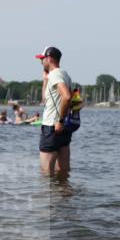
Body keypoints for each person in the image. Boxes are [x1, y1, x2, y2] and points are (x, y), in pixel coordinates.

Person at [36, 46, 74, 176]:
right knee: (63, 173)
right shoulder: (64, 74)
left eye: (42, 59)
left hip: (52, 127)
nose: (41, 62)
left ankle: (49, 196)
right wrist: (45, 80)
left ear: (49, 58)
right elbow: (45, 100)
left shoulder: (55, 74)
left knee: (46, 174)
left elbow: (67, 97)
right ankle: (64, 195)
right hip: (63, 128)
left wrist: (60, 121)